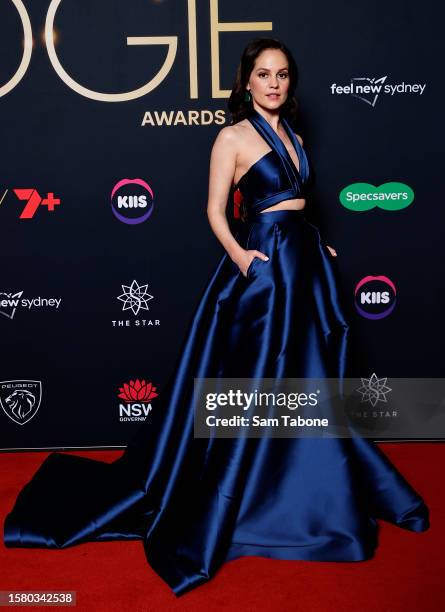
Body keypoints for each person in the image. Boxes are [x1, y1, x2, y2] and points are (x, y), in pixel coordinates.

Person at [3, 38, 429, 597]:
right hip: (265, 271)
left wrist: (317, 245)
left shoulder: (296, 139)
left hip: (304, 266)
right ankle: (249, 490)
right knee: (257, 379)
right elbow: (213, 208)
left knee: (309, 376)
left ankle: (305, 478)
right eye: (262, 74)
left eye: (281, 75)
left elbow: (298, 207)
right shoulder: (232, 136)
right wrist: (241, 257)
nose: (273, 83)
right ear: (245, 82)